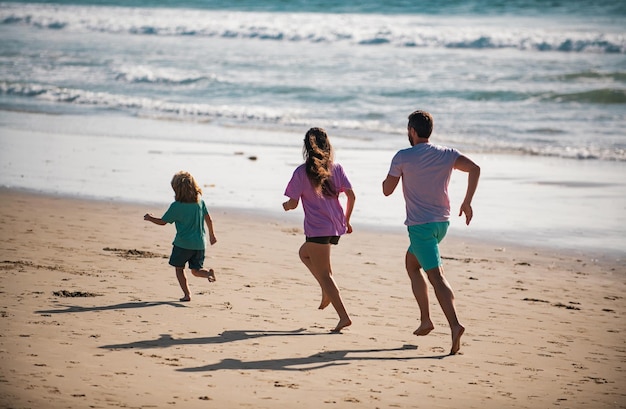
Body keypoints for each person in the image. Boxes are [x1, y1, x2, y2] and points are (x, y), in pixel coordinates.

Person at [382, 110, 480, 355]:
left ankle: (455, 325)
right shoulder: (446, 154)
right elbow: (475, 168)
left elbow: (386, 190)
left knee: (436, 278)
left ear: (412, 132)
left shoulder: (403, 156)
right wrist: (467, 202)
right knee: (412, 264)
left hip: (420, 227)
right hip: (441, 225)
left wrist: (394, 176)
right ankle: (425, 319)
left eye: (408, 130)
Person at [283, 127, 356, 333]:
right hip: (334, 226)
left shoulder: (301, 172)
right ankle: (326, 292)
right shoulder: (337, 168)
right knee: (305, 254)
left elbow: (293, 203)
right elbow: (351, 196)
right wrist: (347, 221)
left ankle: (343, 316)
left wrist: (286, 206)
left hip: (317, 229)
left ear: (306, 148)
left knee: (325, 273)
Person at [144, 171, 217, 302]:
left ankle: (187, 294)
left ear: (176, 190)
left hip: (183, 244)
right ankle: (208, 274)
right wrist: (212, 235)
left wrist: (150, 218)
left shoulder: (176, 206)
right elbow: (209, 219)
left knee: (179, 269)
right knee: (196, 270)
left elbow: (163, 222)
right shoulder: (200, 202)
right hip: (200, 244)